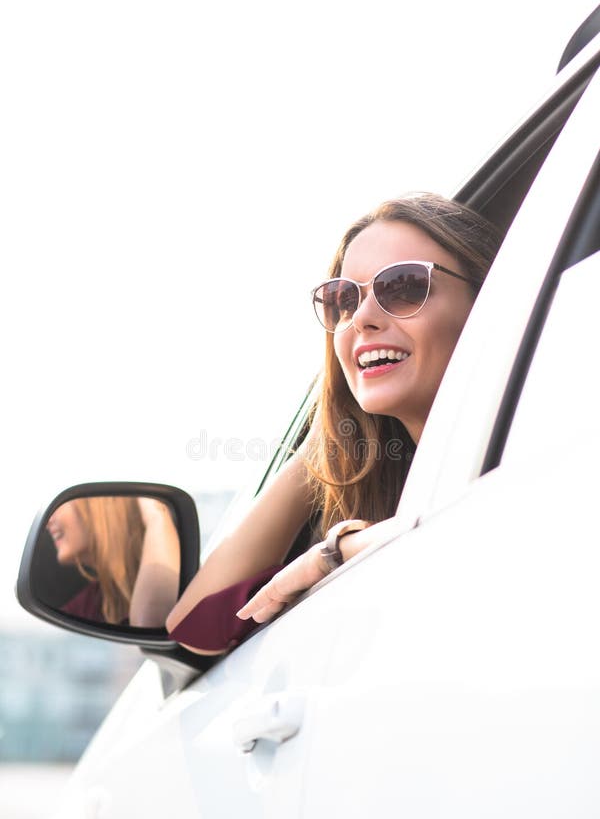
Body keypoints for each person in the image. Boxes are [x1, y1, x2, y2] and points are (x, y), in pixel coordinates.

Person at [166, 193, 502, 653]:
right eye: (343, 300)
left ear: (489, 303)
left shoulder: (528, 448)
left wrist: (335, 553)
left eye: (402, 286)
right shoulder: (396, 485)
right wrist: (332, 431)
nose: (361, 318)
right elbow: (195, 629)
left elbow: (494, 527)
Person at [46, 495, 180, 627]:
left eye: (59, 503)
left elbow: (152, 625)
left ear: (100, 507)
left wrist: (156, 517)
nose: (48, 521)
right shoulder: (92, 600)